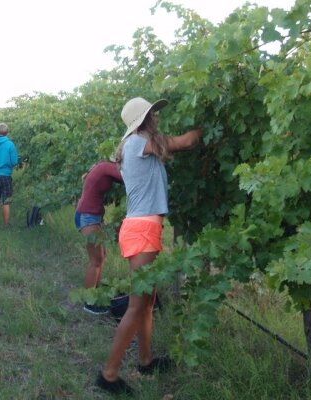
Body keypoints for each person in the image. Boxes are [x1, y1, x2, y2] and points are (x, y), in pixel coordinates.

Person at [95, 97, 202, 395]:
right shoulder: (138, 143)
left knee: (148, 301)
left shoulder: (137, 145)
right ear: (142, 120)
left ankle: (145, 360)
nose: (155, 116)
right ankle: (109, 374)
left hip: (144, 228)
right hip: (142, 229)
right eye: (152, 113)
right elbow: (185, 142)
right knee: (137, 304)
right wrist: (207, 126)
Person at [75, 160, 123, 315]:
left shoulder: (102, 166)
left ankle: (96, 295)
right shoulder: (107, 167)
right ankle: (89, 303)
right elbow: (128, 176)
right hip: (88, 216)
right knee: (96, 259)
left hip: (91, 215)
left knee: (101, 257)